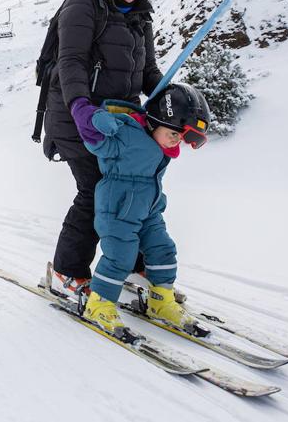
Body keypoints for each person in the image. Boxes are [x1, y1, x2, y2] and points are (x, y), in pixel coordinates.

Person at [44, 0, 169, 297]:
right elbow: (71, 61)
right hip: (75, 118)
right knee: (96, 190)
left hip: (119, 123)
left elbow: (147, 72)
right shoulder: (83, 3)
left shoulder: (140, 15)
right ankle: (67, 272)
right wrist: (81, 106)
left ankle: (130, 267)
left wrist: (170, 100)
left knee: (134, 192)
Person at [75, 84, 210, 337]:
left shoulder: (162, 144)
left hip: (149, 210)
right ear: (157, 120)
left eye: (181, 136)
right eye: (174, 132)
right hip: (118, 209)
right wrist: (90, 116)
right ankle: (99, 303)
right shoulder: (125, 133)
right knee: (120, 256)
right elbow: (91, 136)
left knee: (164, 249)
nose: (177, 139)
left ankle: (161, 301)